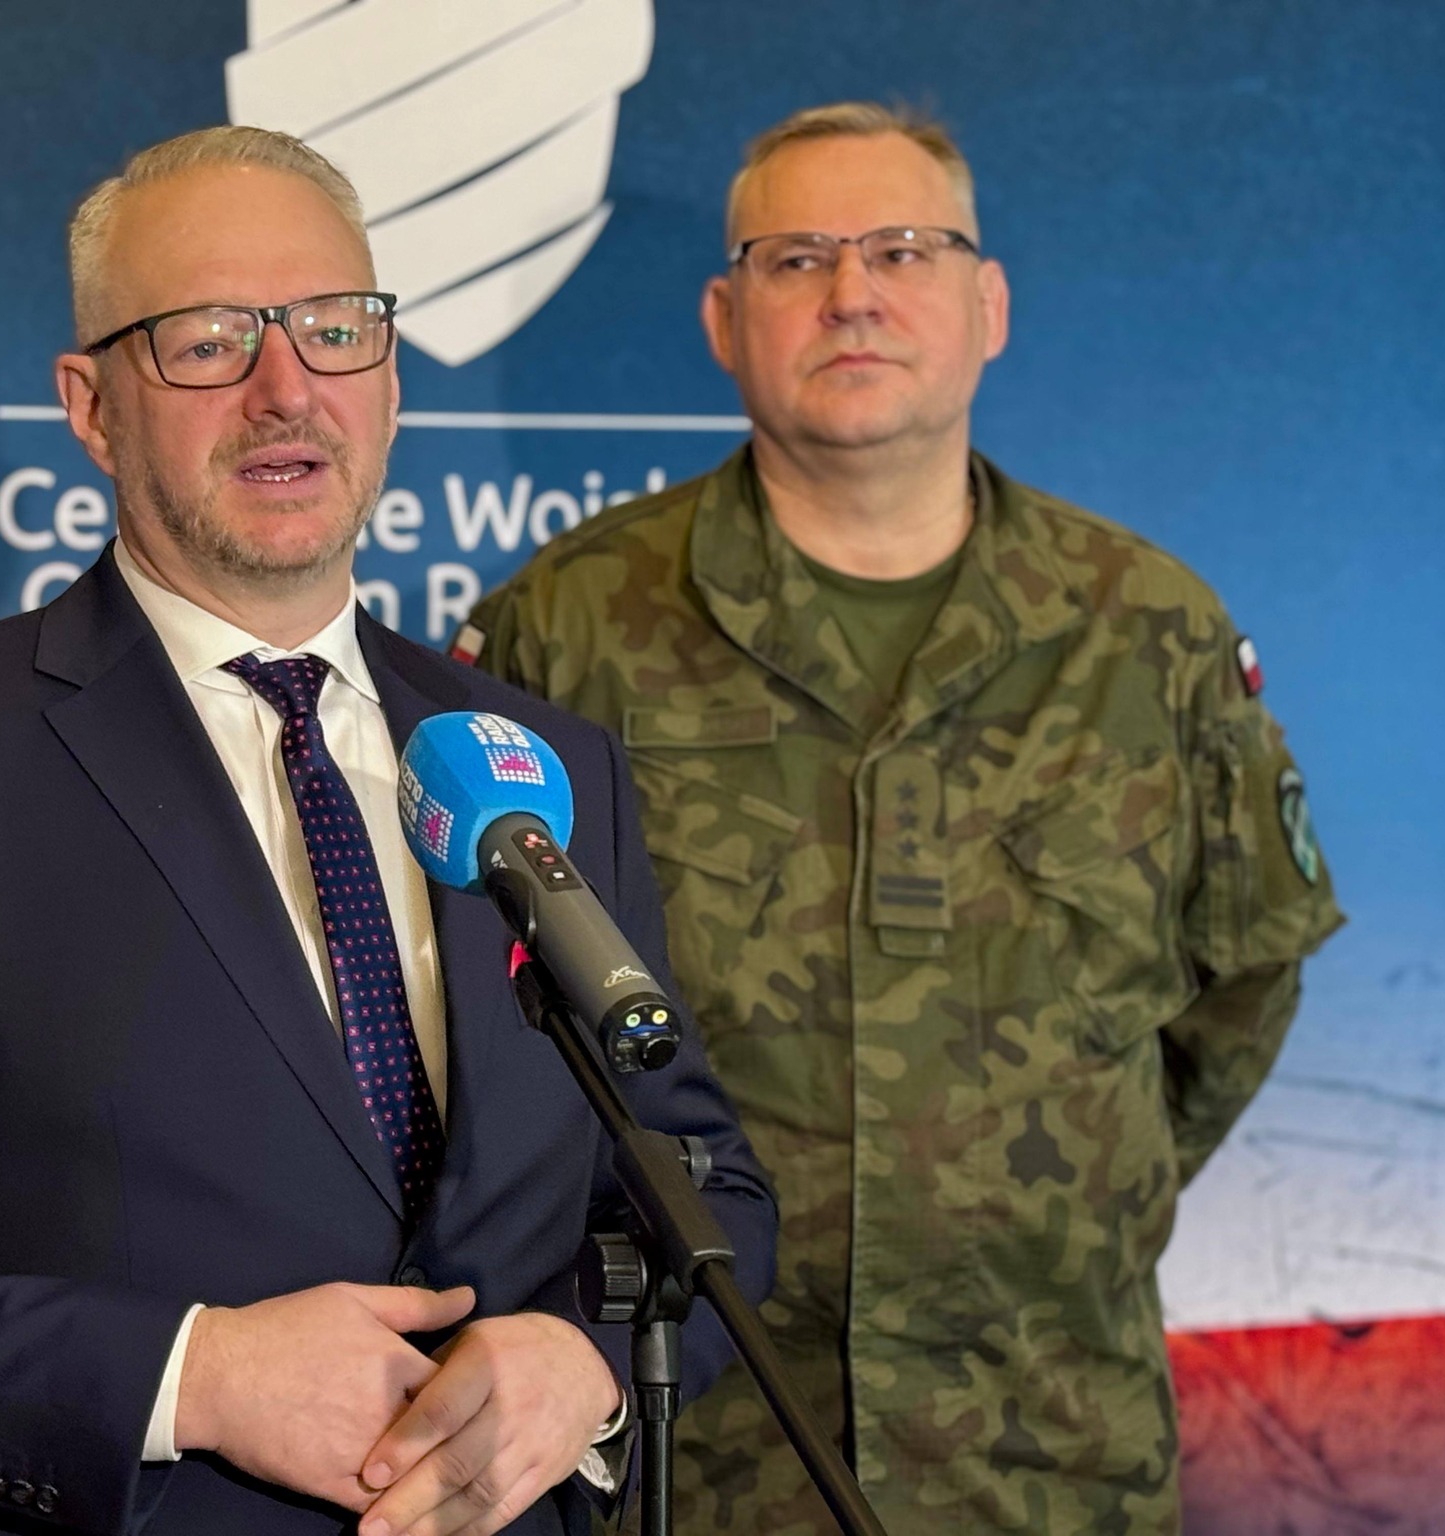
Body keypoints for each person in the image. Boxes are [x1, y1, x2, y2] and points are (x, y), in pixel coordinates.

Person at [0, 126, 774, 1536]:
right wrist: (192, 1378)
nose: (285, 390)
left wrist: (584, 1368)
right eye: (209, 342)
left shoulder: (543, 763)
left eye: (334, 330)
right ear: (92, 407)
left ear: (390, 380)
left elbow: (707, 1190)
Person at [461, 103, 1344, 1535]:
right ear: (724, 320)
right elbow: (484, 1020)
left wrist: (1054, 1207)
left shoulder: (1149, 633)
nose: (853, 294)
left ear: (988, 307)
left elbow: (1240, 985)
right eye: (798, 257)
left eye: (904, 250)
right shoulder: (569, 631)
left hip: (1049, 1452)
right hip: (706, 1451)